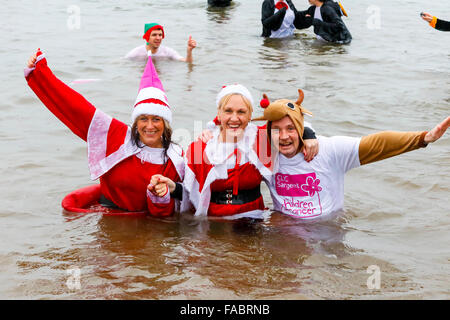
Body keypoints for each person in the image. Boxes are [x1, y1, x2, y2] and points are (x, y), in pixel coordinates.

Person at [25, 49, 184, 216]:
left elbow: (192, 196)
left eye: (156, 119)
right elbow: (75, 108)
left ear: (166, 124)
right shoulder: (117, 135)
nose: (150, 126)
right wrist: (40, 74)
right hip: (111, 219)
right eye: (143, 119)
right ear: (135, 122)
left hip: (148, 227)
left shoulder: (176, 157)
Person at [252, 89, 450, 220]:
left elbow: (377, 144)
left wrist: (423, 138)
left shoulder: (328, 150)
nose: (284, 136)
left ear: (300, 127)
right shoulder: (264, 153)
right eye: (276, 130)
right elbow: (238, 138)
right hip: (284, 233)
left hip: (326, 232)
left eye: (291, 128)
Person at [150, 85, 318, 219]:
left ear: (250, 114)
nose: (234, 118)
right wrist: (172, 188)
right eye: (228, 111)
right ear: (219, 113)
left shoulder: (261, 140)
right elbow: (191, 193)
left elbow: (291, 124)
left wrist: (309, 136)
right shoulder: (200, 148)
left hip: (253, 220)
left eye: (241, 112)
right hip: (214, 223)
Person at [125, 23, 197, 62]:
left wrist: (189, 51)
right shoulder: (136, 53)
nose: (158, 38)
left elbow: (187, 62)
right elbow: (122, 63)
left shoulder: (167, 52)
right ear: (147, 37)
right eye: (154, 35)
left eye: (160, 35)